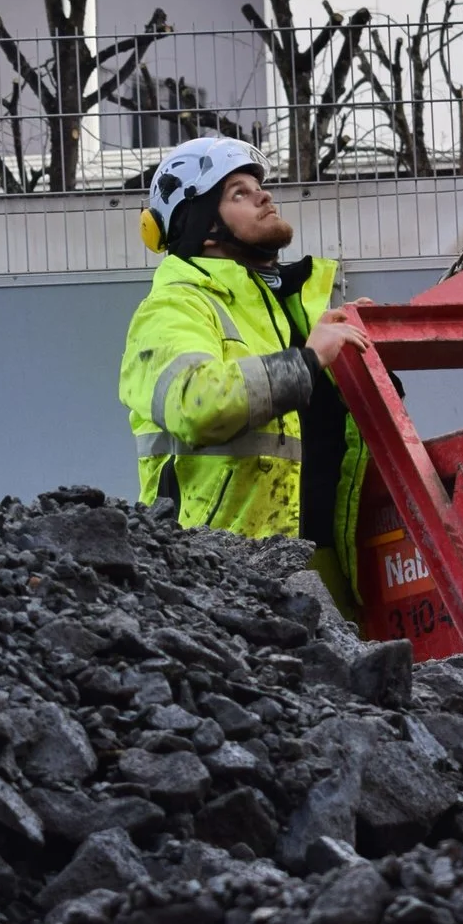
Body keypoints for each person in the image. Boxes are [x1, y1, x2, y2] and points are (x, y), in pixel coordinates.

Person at [120, 136, 375, 609]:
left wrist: (352, 358)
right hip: (215, 572)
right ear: (203, 226)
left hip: (313, 557)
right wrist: (308, 358)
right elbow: (196, 404)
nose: (264, 195)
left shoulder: (287, 310)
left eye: (258, 186)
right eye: (238, 192)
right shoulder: (173, 307)